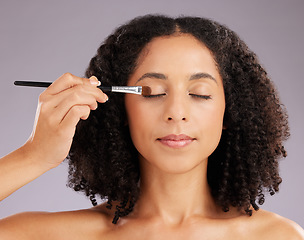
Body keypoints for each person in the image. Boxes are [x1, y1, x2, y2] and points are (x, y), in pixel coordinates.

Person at [0, 14, 303, 239]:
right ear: (120, 110)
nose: (176, 113)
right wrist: (34, 156)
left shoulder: (278, 236)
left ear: (229, 113)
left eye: (199, 94)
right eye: (154, 93)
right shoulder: (45, 234)